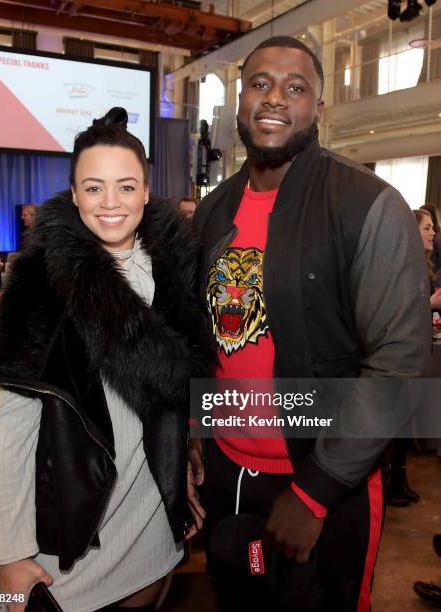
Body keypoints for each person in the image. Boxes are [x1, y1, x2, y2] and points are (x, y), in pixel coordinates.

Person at [190, 36, 431, 612]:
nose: (276, 98)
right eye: (261, 83)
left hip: (319, 483)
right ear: (241, 101)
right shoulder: (211, 211)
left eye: (295, 87)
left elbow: (399, 365)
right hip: (229, 479)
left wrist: (316, 491)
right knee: (242, 597)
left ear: (317, 109)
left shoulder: (368, 205)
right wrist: (195, 436)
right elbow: (203, 341)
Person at [0, 107, 214, 612]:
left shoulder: (173, 272)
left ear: (146, 192)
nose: (111, 203)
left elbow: (170, 398)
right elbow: (12, 427)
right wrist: (10, 553)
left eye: (126, 187)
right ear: (74, 195)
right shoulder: (42, 282)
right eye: (94, 187)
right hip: (76, 532)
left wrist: (181, 474)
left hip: (153, 525)